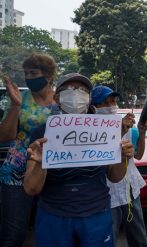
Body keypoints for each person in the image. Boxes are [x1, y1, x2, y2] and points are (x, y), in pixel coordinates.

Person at [23, 73, 132, 246]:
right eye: (70, 90)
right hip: (54, 215)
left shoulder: (104, 131)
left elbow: (115, 176)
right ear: (57, 98)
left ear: (89, 99)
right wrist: (39, 163)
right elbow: (31, 188)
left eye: (82, 90)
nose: (76, 94)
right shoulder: (42, 133)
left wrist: (122, 157)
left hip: (97, 214)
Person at [0, 53, 58, 247]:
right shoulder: (20, 98)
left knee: (50, 231)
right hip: (16, 172)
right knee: (13, 234)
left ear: (48, 76)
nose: (28, 78)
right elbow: (5, 137)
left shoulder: (62, 102)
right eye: (26, 73)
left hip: (50, 173)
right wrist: (15, 106)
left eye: (33, 73)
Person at [91, 85, 147, 247]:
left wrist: (142, 132)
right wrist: (119, 130)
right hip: (106, 192)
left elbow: (138, 155)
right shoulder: (89, 131)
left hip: (129, 188)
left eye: (114, 101)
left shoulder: (129, 128)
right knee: (109, 237)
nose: (112, 106)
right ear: (95, 107)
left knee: (138, 236)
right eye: (106, 102)